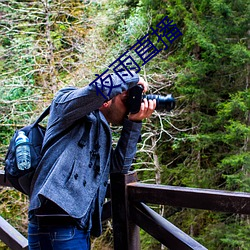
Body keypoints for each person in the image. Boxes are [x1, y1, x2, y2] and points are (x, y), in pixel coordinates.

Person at [28, 72, 156, 250]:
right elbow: (95, 91)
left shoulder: (101, 130)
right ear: (107, 98)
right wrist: (133, 79)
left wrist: (134, 123)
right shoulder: (65, 101)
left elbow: (118, 167)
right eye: (125, 98)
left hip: (74, 226)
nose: (128, 107)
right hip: (58, 224)